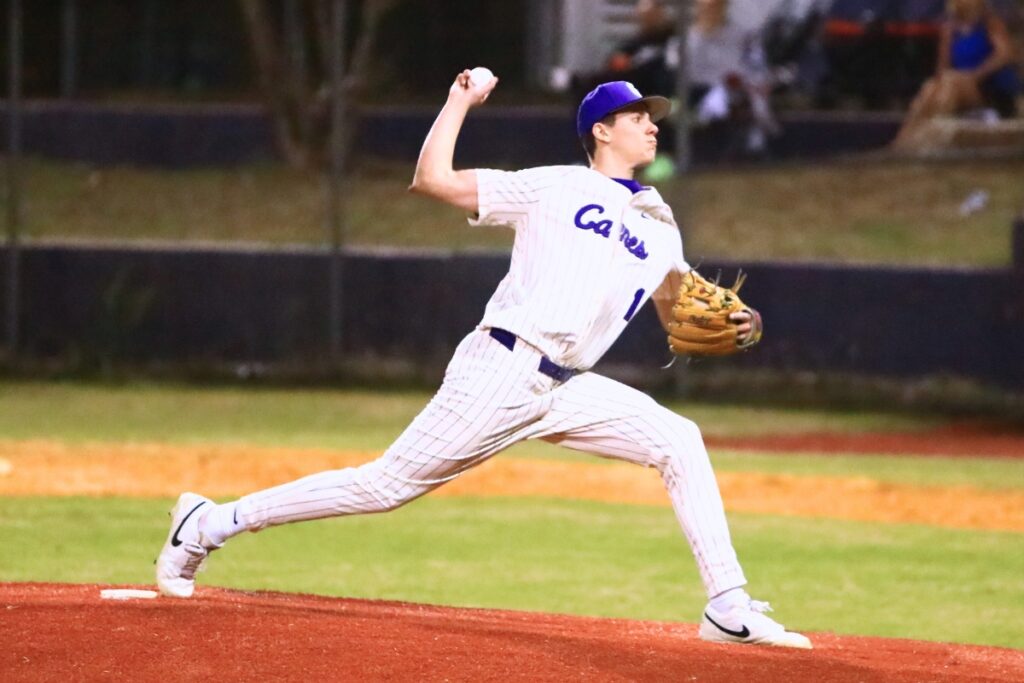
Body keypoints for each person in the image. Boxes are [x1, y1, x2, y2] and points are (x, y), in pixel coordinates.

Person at [155, 72, 811, 649]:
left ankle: (726, 605)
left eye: (653, 117)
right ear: (602, 131)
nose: (651, 125)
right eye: (638, 116)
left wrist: (723, 320)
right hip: (503, 365)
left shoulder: (661, 223)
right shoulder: (553, 188)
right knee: (384, 486)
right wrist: (458, 100)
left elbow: (676, 315)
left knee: (679, 440)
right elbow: (431, 180)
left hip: (566, 386)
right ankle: (209, 521)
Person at [891, 0, 1020, 151]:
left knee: (951, 83)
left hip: (988, 88)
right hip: (957, 85)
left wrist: (974, 75)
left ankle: (923, 141)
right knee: (930, 87)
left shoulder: (990, 24)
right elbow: (942, 69)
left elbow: (1005, 55)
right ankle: (902, 141)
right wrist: (946, 81)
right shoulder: (949, 29)